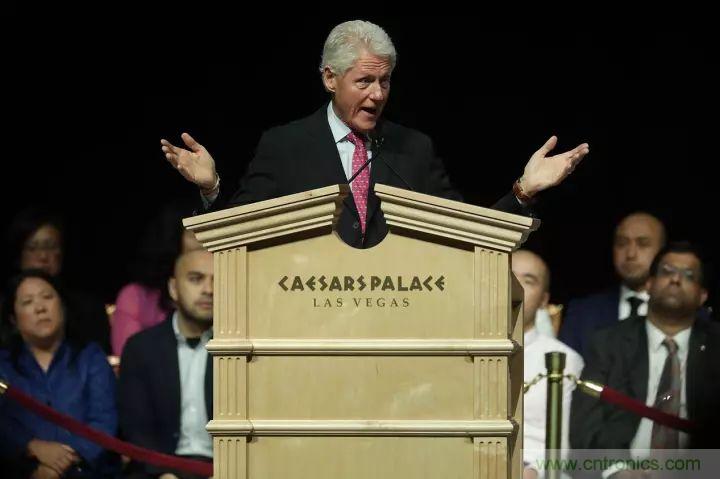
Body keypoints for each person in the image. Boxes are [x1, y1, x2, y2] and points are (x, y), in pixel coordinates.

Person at [160, 20, 589, 248]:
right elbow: (238, 232)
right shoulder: (284, 146)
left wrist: (522, 192)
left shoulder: (413, 149)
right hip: (306, 325)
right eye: (364, 81)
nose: (378, 94)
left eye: (385, 81)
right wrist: (211, 189)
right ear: (330, 78)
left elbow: (464, 232)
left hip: (394, 325)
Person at [570, 242, 720, 477]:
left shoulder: (715, 345)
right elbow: (586, 423)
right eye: (667, 272)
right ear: (649, 284)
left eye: (688, 276)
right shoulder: (609, 343)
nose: (675, 280)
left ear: (703, 296)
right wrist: (618, 471)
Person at [0, 270, 119, 478]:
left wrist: (58, 464)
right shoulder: (4, 365)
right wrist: (31, 447)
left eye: (47, 297)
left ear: (62, 307)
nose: (40, 308)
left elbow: (104, 422)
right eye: (27, 302)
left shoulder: (91, 357)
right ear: (13, 320)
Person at [118, 249, 214, 479]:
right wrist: (163, 474)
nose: (209, 290)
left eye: (217, 281)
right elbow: (135, 426)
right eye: (196, 279)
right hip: (158, 469)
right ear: (173, 288)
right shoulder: (141, 348)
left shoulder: (241, 347)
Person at [512, 250, 583, 479]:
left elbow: (561, 445)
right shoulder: (459, 346)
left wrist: (532, 469)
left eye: (528, 281)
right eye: (508, 276)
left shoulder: (564, 360)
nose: (514, 287)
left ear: (544, 300)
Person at [559, 212, 667, 359]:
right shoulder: (583, 312)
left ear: (663, 252)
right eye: (622, 243)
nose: (630, 254)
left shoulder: (683, 312)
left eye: (643, 244)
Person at [6, 207, 111, 354]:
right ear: (19, 257)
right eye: (32, 248)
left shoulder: (89, 309)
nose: (43, 256)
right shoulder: (4, 308)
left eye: (50, 247)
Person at [111, 202, 202, 356]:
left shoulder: (217, 289)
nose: (206, 241)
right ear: (173, 238)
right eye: (196, 233)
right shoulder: (135, 297)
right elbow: (131, 358)